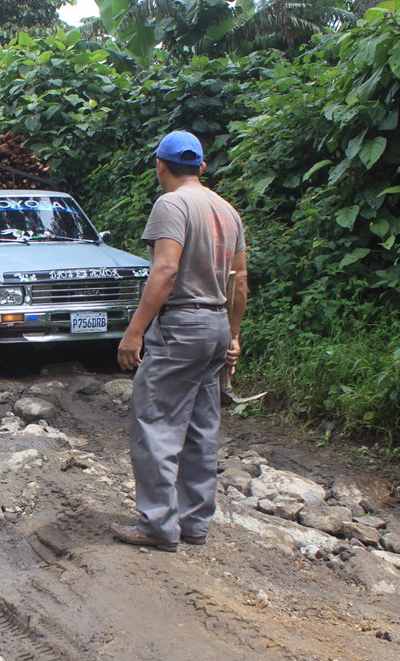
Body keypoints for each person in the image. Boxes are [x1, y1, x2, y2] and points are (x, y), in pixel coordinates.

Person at [111, 130, 248, 552]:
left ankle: (157, 526)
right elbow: (240, 280)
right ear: (202, 167)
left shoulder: (171, 205)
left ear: (160, 165)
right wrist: (234, 334)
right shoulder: (227, 211)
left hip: (180, 327)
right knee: (200, 429)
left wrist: (134, 332)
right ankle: (194, 523)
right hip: (215, 327)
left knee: (154, 423)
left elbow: (165, 271)